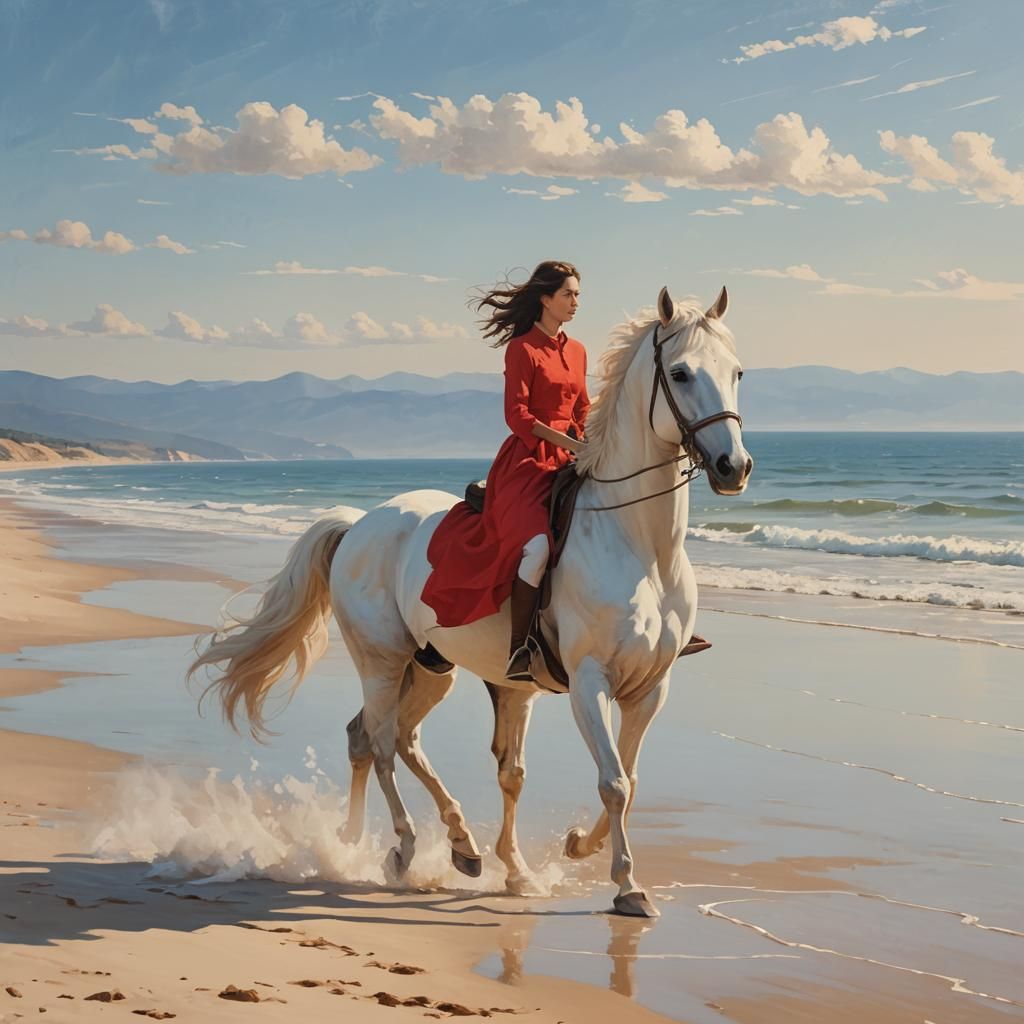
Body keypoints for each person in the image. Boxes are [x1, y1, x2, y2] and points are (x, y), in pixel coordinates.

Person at [419, 261, 589, 682]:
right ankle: (520, 648)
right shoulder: (523, 349)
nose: (575, 302)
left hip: (574, 458)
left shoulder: (578, 350)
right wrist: (570, 443)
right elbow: (517, 415)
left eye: (578, 295)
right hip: (528, 465)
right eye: (568, 294)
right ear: (546, 299)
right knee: (536, 550)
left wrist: (594, 443)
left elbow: (583, 407)